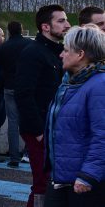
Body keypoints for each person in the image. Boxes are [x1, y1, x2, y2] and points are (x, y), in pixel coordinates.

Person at [44, 26, 105, 206]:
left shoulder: (99, 85)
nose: (61, 55)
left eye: (66, 50)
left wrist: (88, 175)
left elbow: (102, 135)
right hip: (63, 179)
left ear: (80, 54)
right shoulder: (70, 83)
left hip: (84, 183)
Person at [16, 4, 70, 207]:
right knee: (43, 184)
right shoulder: (33, 53)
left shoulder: (57, 52)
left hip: (53, 128)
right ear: (45, 27)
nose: (67, 24)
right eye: (61, 20)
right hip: (41, 130)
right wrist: (38, 131)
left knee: (51, 183)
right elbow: (23, 94)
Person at [0, 21, 32, 168]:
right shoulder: (29, 44)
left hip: (9, 87)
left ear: (9, 32)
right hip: (27, 87)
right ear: (22, 29)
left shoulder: (2, 48)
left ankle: (14, 157)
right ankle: (28, 153)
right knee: (30, 120)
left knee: (13, 122)